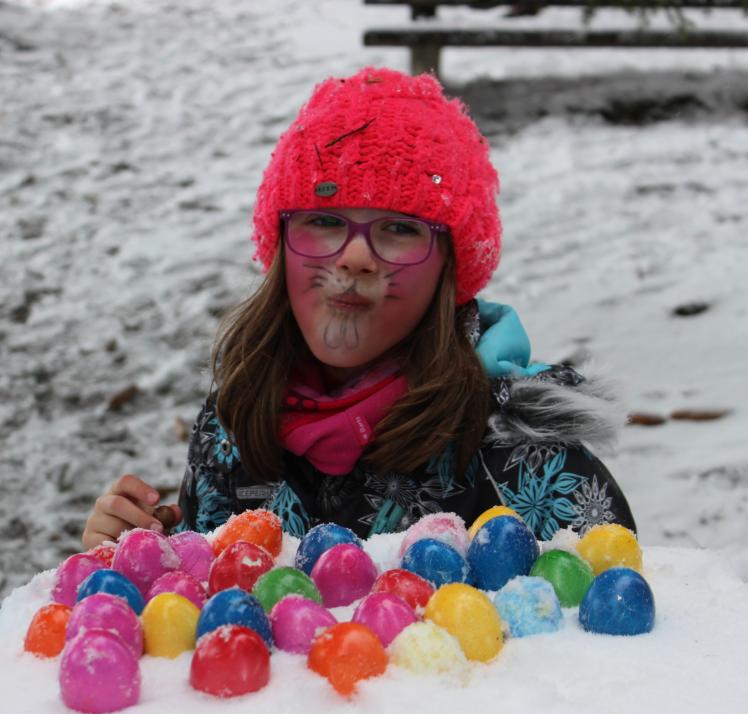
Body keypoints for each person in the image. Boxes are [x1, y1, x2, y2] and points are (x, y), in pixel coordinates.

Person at [83, 66, 636, 551]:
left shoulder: (527, 461)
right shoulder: (234, 423)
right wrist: (145, 553)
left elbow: (607, 650)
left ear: (450, 268)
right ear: (279, 247)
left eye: (399, 229)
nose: (353, 257)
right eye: (323, 220)